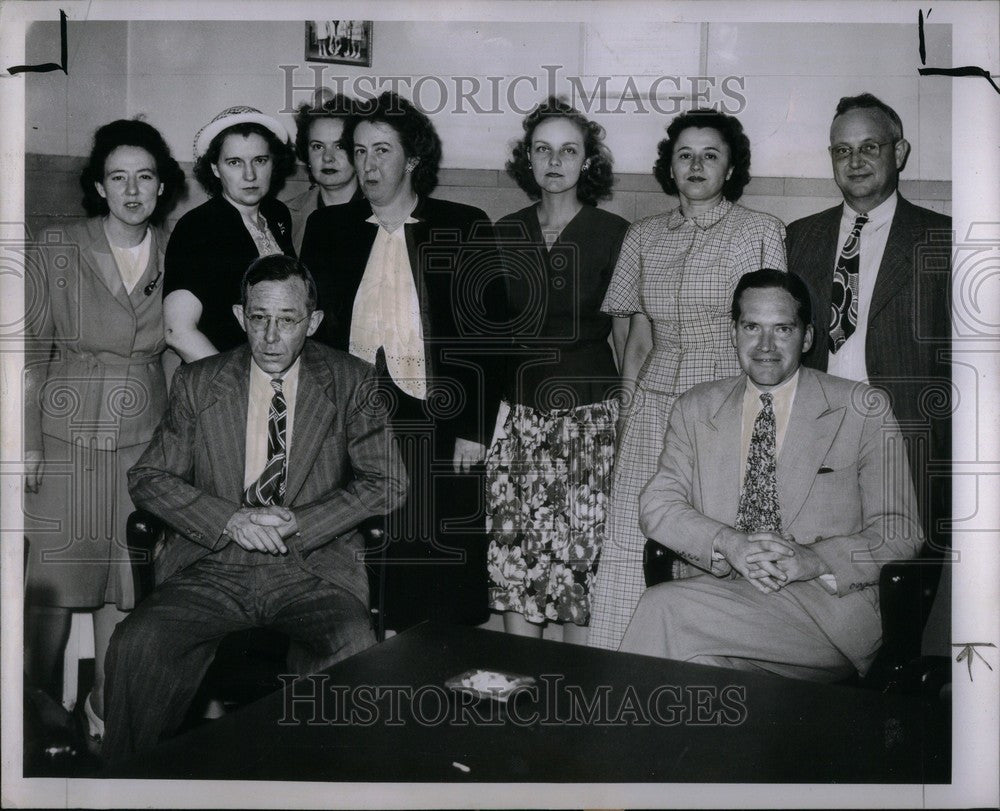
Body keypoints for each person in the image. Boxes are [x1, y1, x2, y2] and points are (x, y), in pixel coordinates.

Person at [102, 255, 407, 758]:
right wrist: (229, 519)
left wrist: (301, 522)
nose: (270, 337)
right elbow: (149, 477)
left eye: (287, 320)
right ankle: (126, 785)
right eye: (258, 318)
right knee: (137, 644)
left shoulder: (351, 381)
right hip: (212, 566)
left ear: (313, 322)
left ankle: (327, 788)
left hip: (313, 569)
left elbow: (389, 480)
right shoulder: (199, 382)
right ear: (241, 316)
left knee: (352, 647)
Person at [620, 270, 922, 680]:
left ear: (808, 337)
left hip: (823, 613)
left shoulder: (860, 408)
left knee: (662, 607)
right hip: (720, 598)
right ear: (734, 332)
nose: (765, 346)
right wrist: (730, 544)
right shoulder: (696, 408)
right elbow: (658, 504)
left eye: (782, 329)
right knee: (697, 671)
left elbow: (901, 531)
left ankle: (601, 739)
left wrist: (814, 559)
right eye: (751, 328)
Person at [300, 92, 505, 633]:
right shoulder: (330, 230)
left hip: (438, 417)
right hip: (353, 417)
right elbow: (311, 331)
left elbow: (492, 337)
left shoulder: (464, 225)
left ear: (412, 159)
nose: (367, 165)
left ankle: (434, 685)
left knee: (436, 556)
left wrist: (474, 428)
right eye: (359, 151)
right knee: (367, 555)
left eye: (382, 151)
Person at [589, 109, 787, 651]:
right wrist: (628, 415)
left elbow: (770, 336)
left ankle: (703, 656)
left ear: (730, 168)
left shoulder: (762, 231)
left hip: (728, 399)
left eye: (711, 155)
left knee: (714, 531)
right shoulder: (643, 235)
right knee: (633, 534)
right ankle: (618, 659)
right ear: (669, 167)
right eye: (685, 154)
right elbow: (636, 340)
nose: (696, 165)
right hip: (654, 401)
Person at [23, 118, 186, 742]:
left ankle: (101, 711)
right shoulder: (58, 243)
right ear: (99, 186)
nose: (132, 190)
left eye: (145, 176)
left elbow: (174, 355)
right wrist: (27, 444)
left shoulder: (178, 247)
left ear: (162, 185)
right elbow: (30, 351)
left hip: (145, 436)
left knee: (129, 583)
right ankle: (35, 720)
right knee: (56, 585)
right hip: (64, 434)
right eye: (118, 177)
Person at [486, 98, 629, 643]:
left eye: (569, 150)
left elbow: (626, 337)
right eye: (542, 149)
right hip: (517, 417)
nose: (554, 161)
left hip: (590, 417)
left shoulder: (615, 233)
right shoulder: (503, 232)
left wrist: (628, 417)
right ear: (528, 158)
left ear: (588, 161)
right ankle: (517, 687)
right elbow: (488, 340)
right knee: (516, 549)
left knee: (578, 555)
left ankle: (575, 697)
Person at [786, 93, 951, 551]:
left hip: (907, 438)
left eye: (869, 147)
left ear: (898, 153)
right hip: (817, 436)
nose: (854, 161)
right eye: (842, 150)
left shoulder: (943, 238)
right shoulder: (799, 237)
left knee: (901, 573)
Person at [163, 106, 297, 361]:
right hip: (222, 377)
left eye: (260, 160)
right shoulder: (197, 226)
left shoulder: (277, 214)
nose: (250, 175)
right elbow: (177, 331)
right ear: (215, 168)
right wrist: (233, 384)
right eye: (234, 162)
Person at [284, 93, 363, 253]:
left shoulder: (385, 210)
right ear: (306, 154)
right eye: (318, 146)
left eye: (340, 146)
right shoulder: (284, 216)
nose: (327, 158)